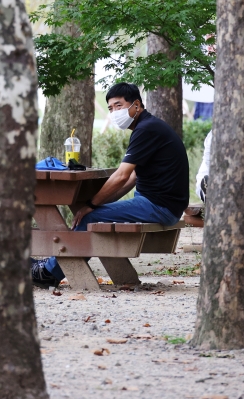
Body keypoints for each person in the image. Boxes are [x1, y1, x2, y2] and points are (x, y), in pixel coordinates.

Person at [30, 83, 189, 287]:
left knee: (90, 216)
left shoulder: (146, 129)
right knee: (93, 213)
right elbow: (132, 178)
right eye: (111, 108)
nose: (114, 112)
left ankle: (48, 272)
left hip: (159, 207)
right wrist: (99, 203)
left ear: (137, 105)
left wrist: (93, 205)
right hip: (161, 204)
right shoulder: (148, 126)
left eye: (119, 105)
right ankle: (55, 267)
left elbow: (122, 175)